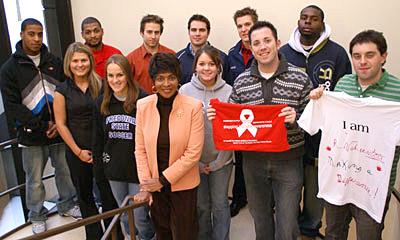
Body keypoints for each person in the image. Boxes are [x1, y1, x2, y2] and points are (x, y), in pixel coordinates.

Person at [207, 21, 313, 239]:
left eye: (267, 41)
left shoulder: (300, 78)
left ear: (278, 43)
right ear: (251, 47)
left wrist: (298, 118)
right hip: (253, 162)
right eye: (256, 43)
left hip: (289, 161)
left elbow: (314, 121)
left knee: (287, 222)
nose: (262, 47)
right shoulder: (242, 81)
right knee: (260, 218)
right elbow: (233, 119)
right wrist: (217, 116)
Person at [307, 30, 400, 240]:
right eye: (357, 56)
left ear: (383, 56)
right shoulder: (343, 84)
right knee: (333, 233)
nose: (362, 62)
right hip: (339, 180)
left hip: (373, 188)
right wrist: (319, 101)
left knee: (369, 236)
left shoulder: (397, 93)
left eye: (370, 55)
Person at [0, 18, 81, 234]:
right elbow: (12, 106)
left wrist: (57, 122)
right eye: (31, 34)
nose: (36, 39)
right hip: (31, 134)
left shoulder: (53, 61)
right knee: (34, 179)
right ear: (22, 35)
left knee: (64, 171)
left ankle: (67, 205)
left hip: (57, 130)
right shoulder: (9, 69)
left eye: (39, 34)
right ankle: (36, 215)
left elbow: (65, 92)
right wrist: (41, 125)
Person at [279, 5, 352, 239]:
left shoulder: (337, 54)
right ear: (298, 21)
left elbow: (345, 95)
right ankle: (287, 229)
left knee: (314, 191)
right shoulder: (284, 53)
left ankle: (309, 230)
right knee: (288, 191)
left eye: (314, 19)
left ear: (322, 23)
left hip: (322, 137)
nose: (308, 22)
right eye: (304, 18)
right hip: (289, 135)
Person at [54, 42, 122, 239]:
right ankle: (94, 236)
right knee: (85, 199)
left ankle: (114, 236)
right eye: (75, 61)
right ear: (69, 63)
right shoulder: (62, 90)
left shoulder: (102, 84)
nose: (80, 64)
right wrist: (78, 151)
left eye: (84, 60)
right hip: (77, 152)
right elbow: (61, 124)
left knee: (109, 198)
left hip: (103, 151)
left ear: (90, 62)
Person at [134, 52, 204, 240]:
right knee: (162, 232)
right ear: (153, 81)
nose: (166, 84)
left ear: (178, 78)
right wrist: (146, 185)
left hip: (183, 186)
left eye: (171, 78)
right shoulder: (143, 106)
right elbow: (140, 150)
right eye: (160, 78)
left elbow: (193, 153)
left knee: (185, 233)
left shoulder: (194, 107)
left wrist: (163, 180)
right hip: (155, 186)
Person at [92, 54, 155, 239]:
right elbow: (97, 140)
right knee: (124, 218)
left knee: (140, 217)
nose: (115, 80)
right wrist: (99, 171)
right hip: (114, 170)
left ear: (128, 75)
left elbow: (152, 138)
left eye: (119, 75)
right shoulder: (102, 102)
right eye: (110, 76)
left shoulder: (143, 100)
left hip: (138, 171)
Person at [180, 45, 233, 240]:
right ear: (195, 66)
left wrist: (219, 161)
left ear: (218, 66)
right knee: (201, 206)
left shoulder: (229, 92)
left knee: (220, 204)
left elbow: (233, 131)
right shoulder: (184, 91)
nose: (207, 68)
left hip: (222, 161)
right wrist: (196, 162)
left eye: (211, 64)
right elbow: (181, 131)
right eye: (202, 64)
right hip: (194, 161)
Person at [227, 6, 258, 217]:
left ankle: (264, 203)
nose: (244, 29)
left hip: (262, 117)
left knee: (261, 163)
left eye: (248, 24)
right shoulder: (232, 54)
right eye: (240, 26)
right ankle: (239, 198)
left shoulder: (265, 50)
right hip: (240, 117)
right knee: (240, 162)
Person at [176, 14, 230, 85]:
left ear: (208, 32)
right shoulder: (178, 59)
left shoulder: (222, 58)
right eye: (194, 30)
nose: (197, 34)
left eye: (202, 30)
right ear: (189, 32)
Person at [126, 14, 175, 94]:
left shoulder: (171, 55)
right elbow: (127, 86)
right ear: (142, 33)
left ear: (160, 33)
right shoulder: (131, 59)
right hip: (141, 103)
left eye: (156, 32)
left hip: (167, 103)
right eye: (149, 32)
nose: (153, 36)